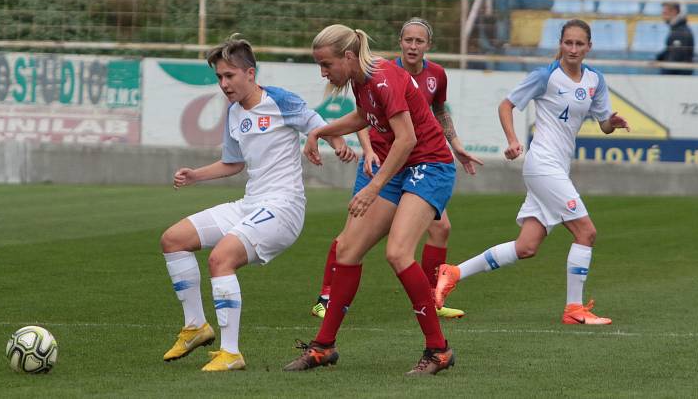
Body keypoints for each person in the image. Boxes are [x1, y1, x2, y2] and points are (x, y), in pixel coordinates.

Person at [283, 24, 481, 376]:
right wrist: (319, 130)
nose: (323, 72)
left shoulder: (384, 79)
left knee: (398, 252)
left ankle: (439, 350)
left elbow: (406, 140)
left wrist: (372, 187)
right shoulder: (361, 80)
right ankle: (324, 346)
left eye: (326, 65)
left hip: (429, 165)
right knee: (347, 250)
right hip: (399, 165)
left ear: (347, 57)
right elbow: (364, 117)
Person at [159, 35, 355, 372]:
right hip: (252, 203)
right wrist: (196, 175)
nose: (224, 83)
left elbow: (317, 124)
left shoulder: (279, 100)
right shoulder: (234, 113)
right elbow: (233, 163)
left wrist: (337, 143)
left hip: (284, 207)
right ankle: (195, 327)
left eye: (229, 76)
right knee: (173, 240)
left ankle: (231, 352)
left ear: (250, 73)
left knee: (221, 259)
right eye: (219, 77)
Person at [435, 19, 630, 325]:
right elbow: (506, 106)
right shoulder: (545, 76)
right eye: (568, 43)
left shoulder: (595, 80)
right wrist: (513, 140)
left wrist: (611, 124)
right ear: (560, 44)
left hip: (556, 170)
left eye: (580, 44)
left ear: (589, 47)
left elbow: (604, 123)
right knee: (586, 232)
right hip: (542, 166)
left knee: (526, 247)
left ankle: (454, 272)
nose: (573, 49)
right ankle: (574, 309)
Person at [656, 1, 694, 76]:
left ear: (674, 12)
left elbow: (675, 59)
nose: (662, 16)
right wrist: (658, 58)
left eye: (665, 13)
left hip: (678, 79)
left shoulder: (680, 32)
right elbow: (670, 51)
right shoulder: (677, 29)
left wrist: (661, 78)